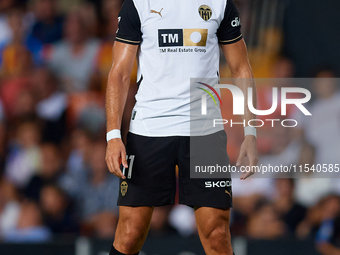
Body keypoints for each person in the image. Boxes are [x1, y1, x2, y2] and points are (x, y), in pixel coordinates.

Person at [105, 1, 258, 255]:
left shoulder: (219, 4)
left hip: (204, 133)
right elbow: (119, 73)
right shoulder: (139, 4)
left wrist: (250, 133)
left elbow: (241, 68)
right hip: (149, 130)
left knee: (217, 234)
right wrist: (113, 136)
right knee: (130, 233)